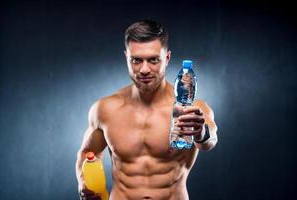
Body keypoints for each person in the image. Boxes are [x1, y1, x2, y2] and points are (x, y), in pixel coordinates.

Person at [75, 19, 218, 200]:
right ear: (126, 56)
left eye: (153, 60)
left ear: (166, 58)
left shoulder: (189, 109)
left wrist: (200, 132)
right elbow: (89, 153)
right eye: (136, 60)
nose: (144, 69)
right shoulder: (105, 109)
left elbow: (210, 139)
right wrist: (83, 181)